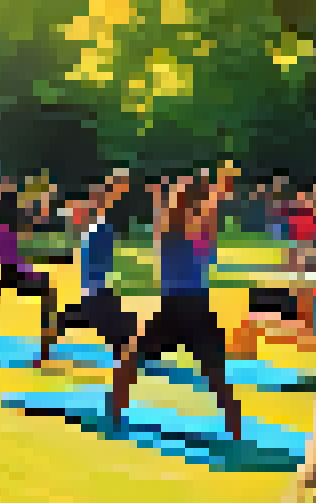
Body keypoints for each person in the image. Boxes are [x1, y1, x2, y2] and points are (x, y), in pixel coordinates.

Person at [105, 164, 245, 442]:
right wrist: (215, 192)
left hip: (188, 308)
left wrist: (215, 192)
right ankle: (114, 417)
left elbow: (197, 221)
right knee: (130, 362)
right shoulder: (174, 227)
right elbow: (190, 219)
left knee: (216, 378)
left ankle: (237, 433)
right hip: (179, 308)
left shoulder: (187, 227)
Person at [0, 188, 62, 364]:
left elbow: (6, 257)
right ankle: (46, 350)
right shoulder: (15, 230)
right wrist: (58, 258)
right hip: (20, 276)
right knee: (49, 295)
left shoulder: (0, 230)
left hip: (10, 274)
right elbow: (28, 255)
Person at [52, 173, 138, 366]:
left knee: (119, 328)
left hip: (98, 294)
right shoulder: (91, 230)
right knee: (119, 328)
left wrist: (113, 187)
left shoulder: (100, 230)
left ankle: (125, 357)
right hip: (95, 295)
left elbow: (99, 204)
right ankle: (124, 356)